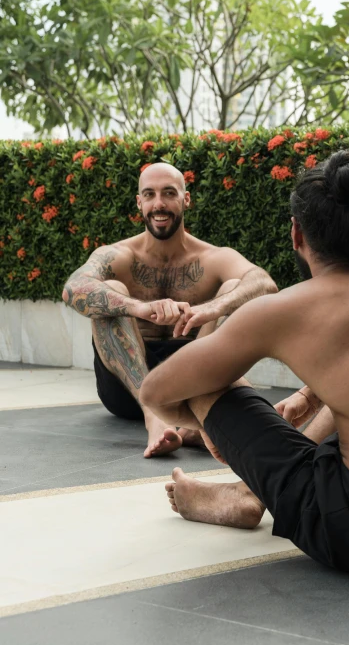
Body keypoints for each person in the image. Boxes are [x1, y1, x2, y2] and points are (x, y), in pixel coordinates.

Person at [139, 151, 349, 573]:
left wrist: (213, 426)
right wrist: (308, 396)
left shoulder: (286, 308)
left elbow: (154, 391)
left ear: (297, 234)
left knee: (205, 381)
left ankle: (248, 496)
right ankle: (253, 493)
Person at [62, 162, 277, 458]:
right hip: (127, 388)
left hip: (194, 378)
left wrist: (211, 309)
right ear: (140, 203)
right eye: (149, 195)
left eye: (169, 193)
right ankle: (156, 414)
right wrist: (138, 307)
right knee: (112, 294)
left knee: (233, 292)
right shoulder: (119, 255)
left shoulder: (213, 257)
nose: (158, 204)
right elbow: (74, 287)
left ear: (185, 199)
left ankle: (190, 421)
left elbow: (264, 283)